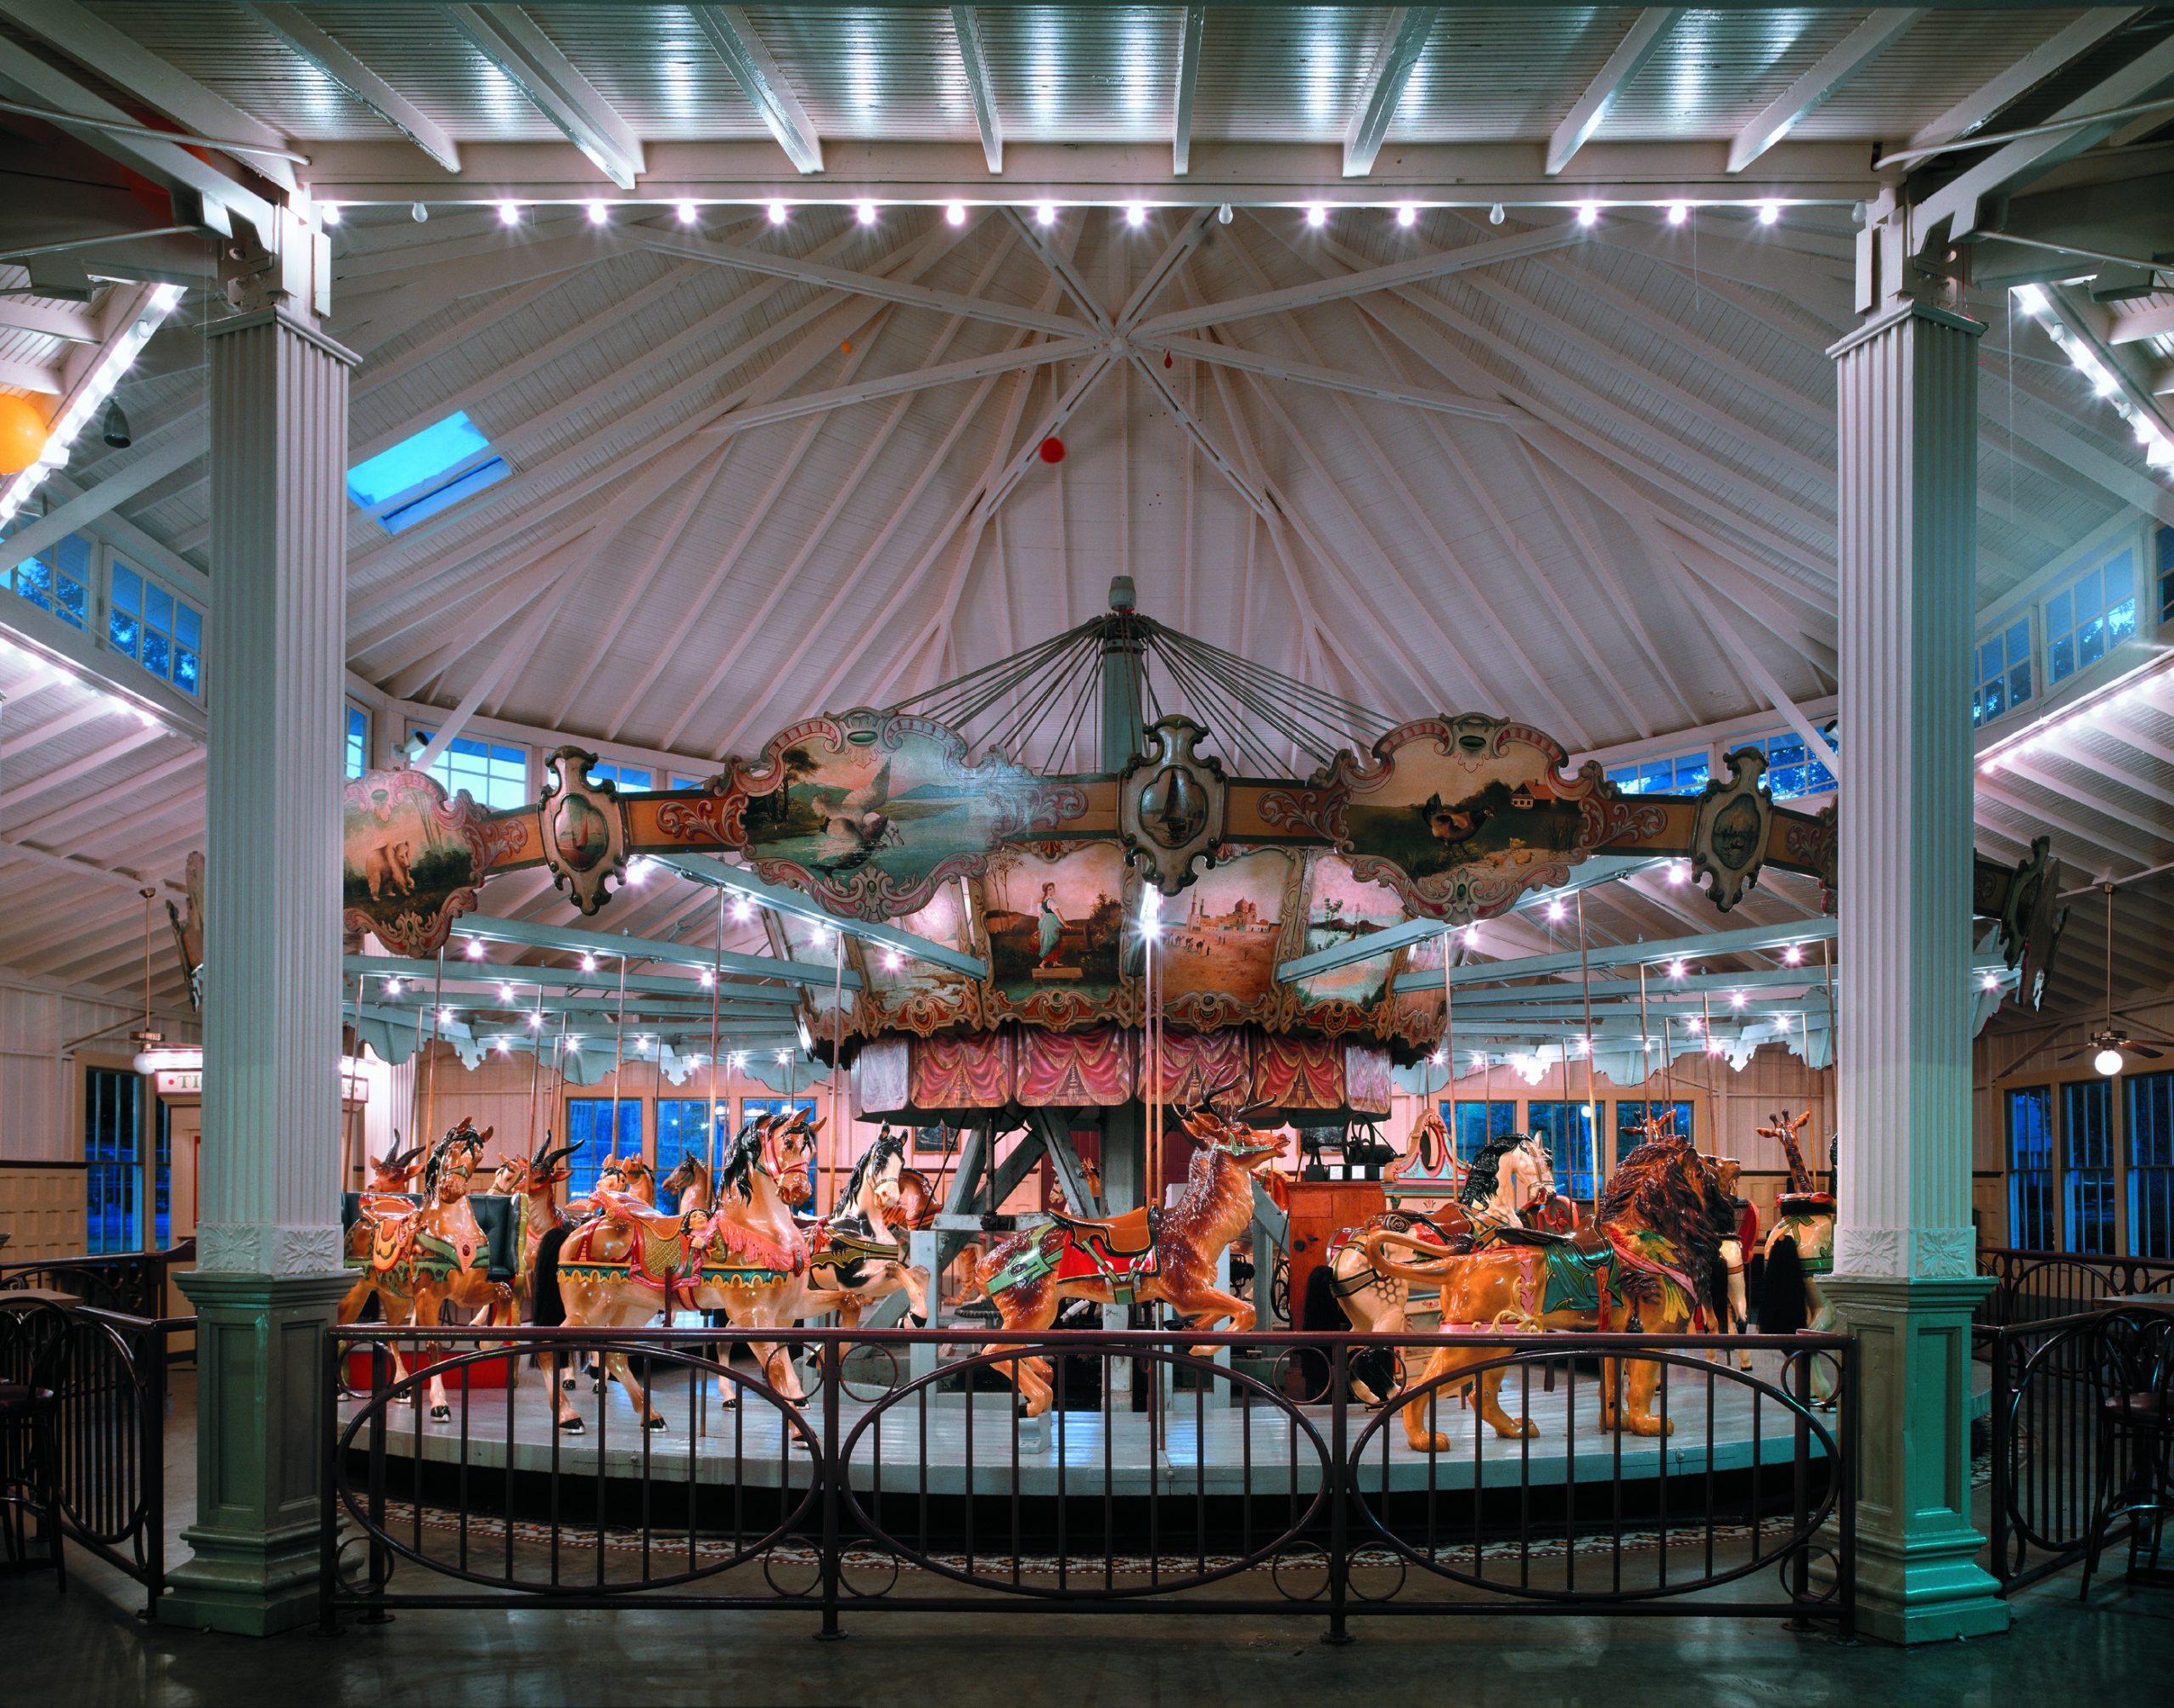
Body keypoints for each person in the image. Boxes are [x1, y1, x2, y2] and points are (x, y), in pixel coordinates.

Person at [1037, 882, 1066, 967]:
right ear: (1046, 891)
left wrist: (1043, 924)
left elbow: (1040, 915)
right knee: (1054, 941)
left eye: (1053, 888)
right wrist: (1065, 924)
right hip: (1052, 922)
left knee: (1053, 940)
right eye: (1050, 889)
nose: (1053, 890)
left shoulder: (1041, 902)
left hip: (1046, 922)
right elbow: (1058, 914)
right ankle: (1042, 964)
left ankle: (1055, 962)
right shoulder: (1051, 901)